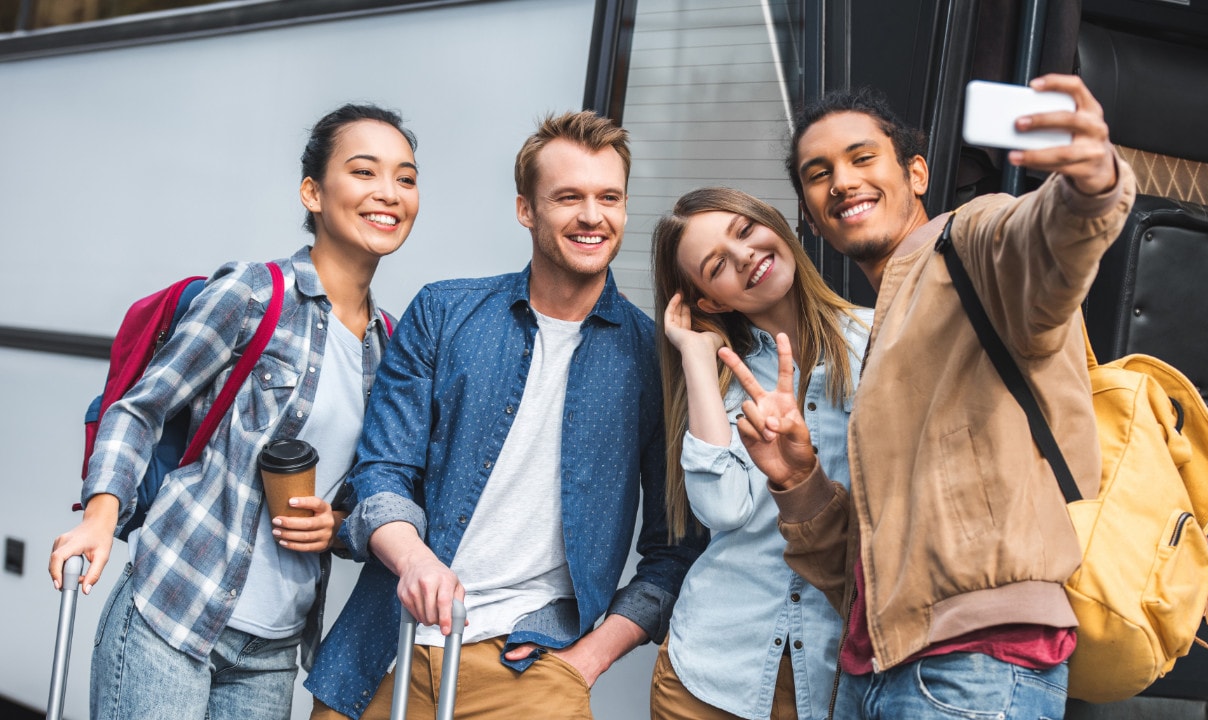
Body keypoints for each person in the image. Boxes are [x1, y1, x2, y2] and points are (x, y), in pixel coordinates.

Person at [719, 75, 1135, 719]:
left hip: (973, 667)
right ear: (810, 212)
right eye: (818, 172)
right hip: (875, 673)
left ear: (916, 173)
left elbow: (1047, 242)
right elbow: (863, 576)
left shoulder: (970, 243)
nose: (843, 182)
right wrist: (797, 476)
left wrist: (1090, 182)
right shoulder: (886, 322)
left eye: (863, 158)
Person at [305, 110, 703, 720]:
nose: (592, 216)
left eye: (609, 198)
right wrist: (416, 562)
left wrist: (587, 661)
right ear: (527, 210)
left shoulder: (652, 361)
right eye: (568, 197)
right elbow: (381, 471)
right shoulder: (444, 312)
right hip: (384, 651)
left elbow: (673, 548)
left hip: (531, 669)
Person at [47, 103, 420, 719]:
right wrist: (99, 514)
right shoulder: (251, 294)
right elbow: (140, 409)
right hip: (174, 607)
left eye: (405, 178)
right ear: (313, 192)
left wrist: (339, 525)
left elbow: (368, 487)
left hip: (272, 648)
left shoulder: (390, 343)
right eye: (363, 172)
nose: (388, 193)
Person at [647, 187, 871, 720]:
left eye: (745, 231)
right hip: (710, 679)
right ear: (712, 301)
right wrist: (697, 361)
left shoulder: (877, 340)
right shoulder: (724, 380)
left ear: (773, 224)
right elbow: (723, 509)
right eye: (717, 264)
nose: (744, 255)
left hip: (836, 681)